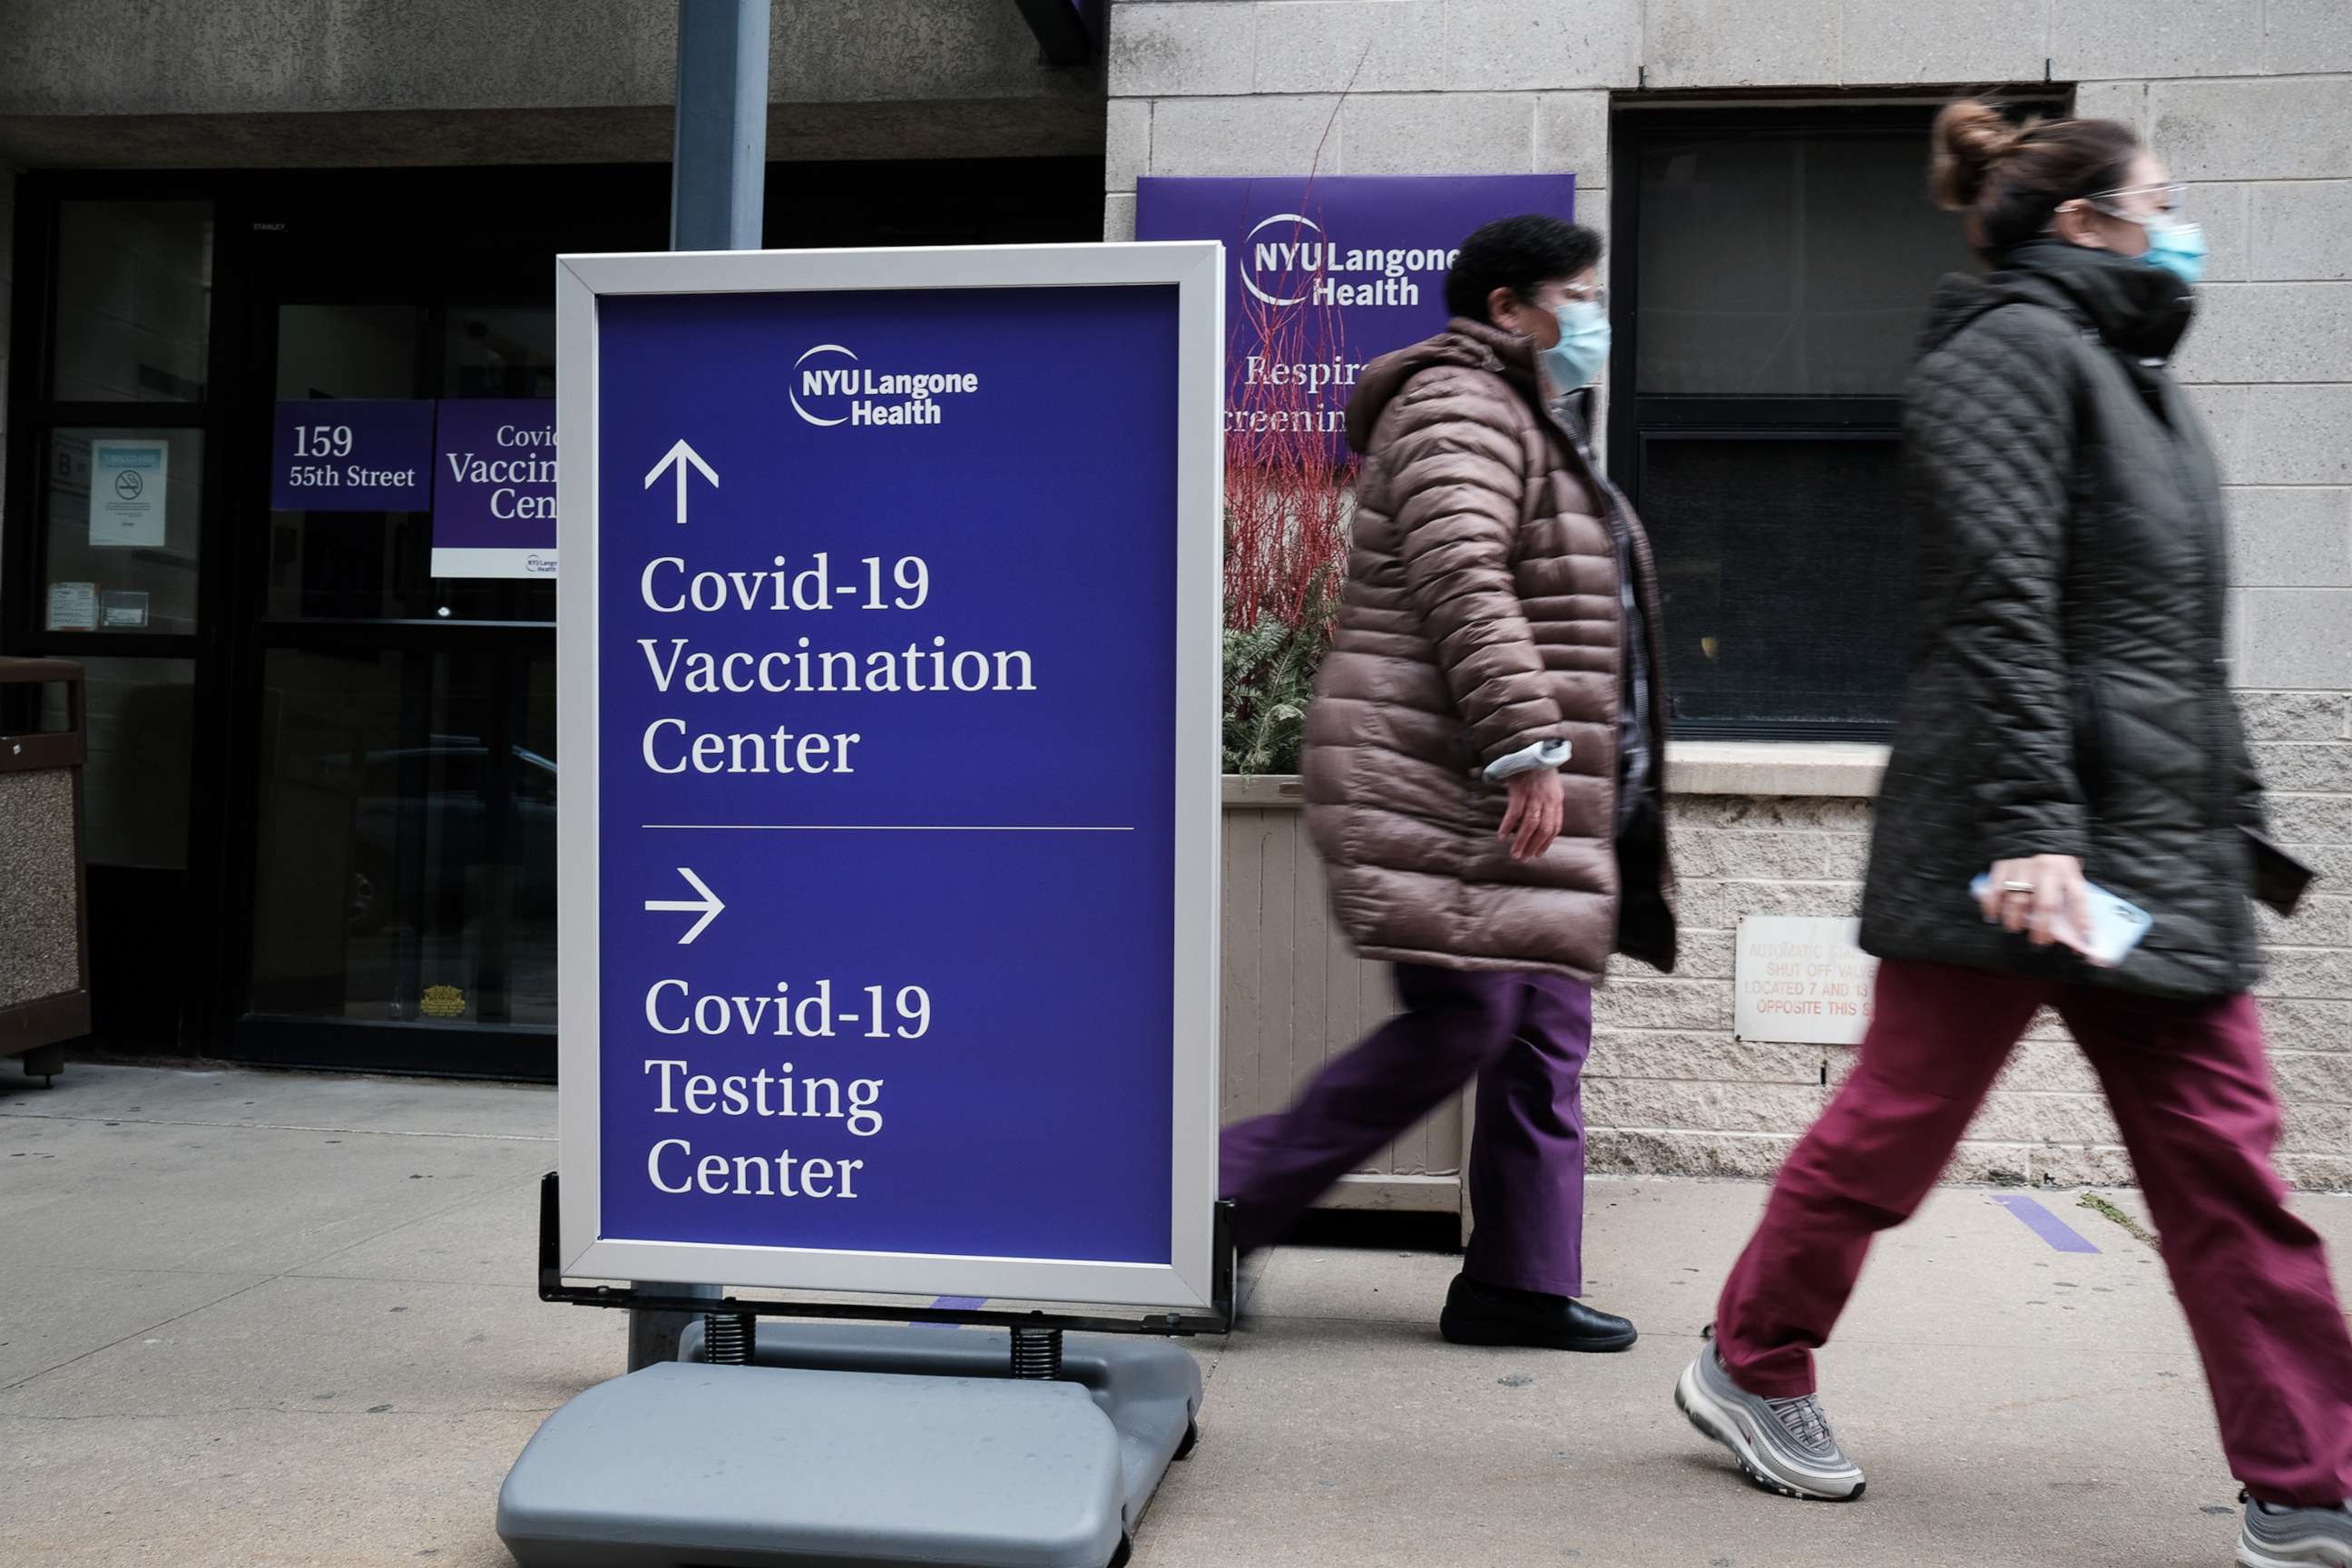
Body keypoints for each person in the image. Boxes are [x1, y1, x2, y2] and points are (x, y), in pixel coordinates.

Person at [1672, 102, 2352, 1564]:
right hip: (2010, 854)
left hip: (2149, 857)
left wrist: (2226, 808)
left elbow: (2168, 640)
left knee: (2231, 1171)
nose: (2182, 223)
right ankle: (1751, 1360)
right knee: (1891, 1141)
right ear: (2083, 223)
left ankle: (2312, 1489)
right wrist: (2039, 827)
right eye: (2160, 198)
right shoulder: (2006, 359)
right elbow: (1998, 612)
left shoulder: (2137, 380)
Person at [1219, 215, 1675, 1353]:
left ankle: (1518, 1282)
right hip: (1447, 770)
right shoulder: (1458, 406)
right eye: (1578, 293)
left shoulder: (1530, 417)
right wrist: (1525, 739)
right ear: (1512, 307)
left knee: (1542, 1027)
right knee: (1469, 1014)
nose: (1595, 315)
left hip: (1527, 781)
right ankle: (1204, 1207)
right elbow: (1459, 570)